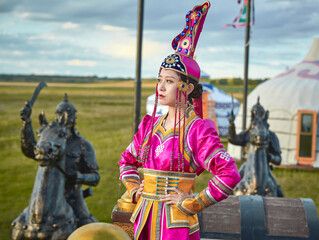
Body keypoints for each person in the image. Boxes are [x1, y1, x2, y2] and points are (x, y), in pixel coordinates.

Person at [119, 2, 241, 239]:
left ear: (187, 86)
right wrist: (134, 190)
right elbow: (126, 161)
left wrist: (194, 203)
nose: (160, 87)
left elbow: (230, 174)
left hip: (175, 226)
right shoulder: (149, 125)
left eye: (169, 81)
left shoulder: (198, 130)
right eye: (159, 79)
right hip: (144, 220)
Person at [20, 93, 100, 227]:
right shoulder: (49, 141)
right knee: (20, 224)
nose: (66, 118)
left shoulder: (83, 145)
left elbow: (95, 177)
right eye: (60, 114)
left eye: (69, 115)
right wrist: (26, 123)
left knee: (87, 228)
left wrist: (78, 177)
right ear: (56, 116)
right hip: (45, 196)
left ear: (75, 118)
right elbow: (30, 149)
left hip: (72, 197)